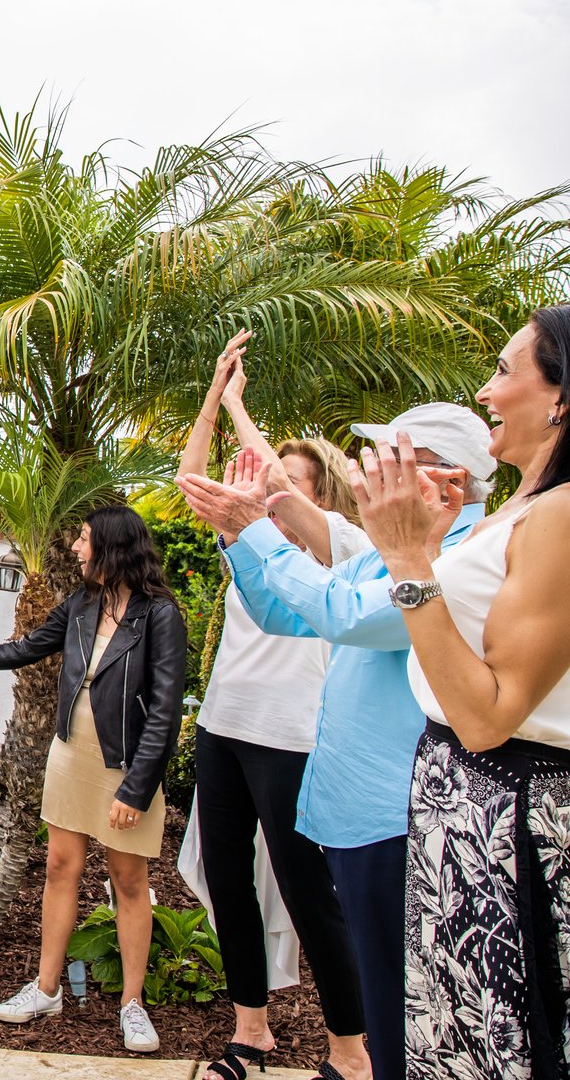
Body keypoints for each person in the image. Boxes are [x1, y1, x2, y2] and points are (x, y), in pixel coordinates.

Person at [180, 401, 496, 1080]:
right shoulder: (386, 554)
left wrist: (254, 526)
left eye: (389, 462)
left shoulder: (461, 559)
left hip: (401, 816)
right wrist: (240, 533)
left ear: (448, 481)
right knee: (392, 997)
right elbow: (284, 612)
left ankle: (351, 1059)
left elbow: (342, 613)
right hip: (354, 814)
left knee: (409, 1004)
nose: (368, 474)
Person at [346, 304, 570, 1079]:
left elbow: (486, 717)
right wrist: (425, 548)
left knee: (499, 1045)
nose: (484, 391)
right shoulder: (523, 507)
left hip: (508, 811)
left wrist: (410, 560)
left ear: (561, 396)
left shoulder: (562, 515)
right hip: (462, 803)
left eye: (504, 371)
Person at [172, 332, 374, 1080]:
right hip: (224, 726)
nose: (270, 489)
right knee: (230, 884)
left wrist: (241, 410)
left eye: (289, 483)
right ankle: (250, 1029)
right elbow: (192, 477)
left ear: (319, 497)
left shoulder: (333, 551)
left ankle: (351, 1051)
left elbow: (283, 489)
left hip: (291, 736)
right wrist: (215, 397)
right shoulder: (248, 542)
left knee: (308, 893)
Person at [0, 506, 186, 1056]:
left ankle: (133, 1004)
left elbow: (165, 710)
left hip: (125, 766)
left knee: (128, 882)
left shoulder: (160, 614)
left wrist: (137, 788)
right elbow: (28, 646)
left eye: (84, 540)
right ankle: (46, 989)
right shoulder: (83, 604)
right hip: (70, 756)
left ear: (112, 546)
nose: (77, 549)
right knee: (60, 869)